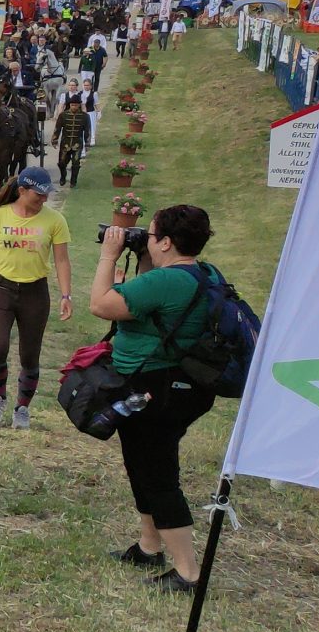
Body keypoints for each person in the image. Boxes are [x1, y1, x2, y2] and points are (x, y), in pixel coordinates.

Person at [88, 202, 221, 591]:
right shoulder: (201, 272)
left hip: (159, 389)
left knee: (159, 476)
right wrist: (143, 259)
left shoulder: (167, 282)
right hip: (173, 385)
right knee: (140, 463)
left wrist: (108, 255)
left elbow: (101, 304)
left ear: (164, 242)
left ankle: (188, 573)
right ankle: (149, 547)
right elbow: (156, 307)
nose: (144, 238)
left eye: (149, 234)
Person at [0, 164, 72, 429]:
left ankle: (22, 408)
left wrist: (66, 295)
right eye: (39, 195)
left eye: (47, 195)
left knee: (29, 354)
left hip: (35, 292)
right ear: (22, 191)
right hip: (0, 290)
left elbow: (61, 260)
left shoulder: (54, 220)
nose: (44, 200)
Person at [53, 90, 91, 187]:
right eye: (72, 104)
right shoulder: (63, 115)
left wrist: (87, 143)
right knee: (61, 162)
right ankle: (63, 176)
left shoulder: (85, 116)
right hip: (65, 143)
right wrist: (54, 139)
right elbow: (57, 128)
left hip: (77, 144)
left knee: (75, 163)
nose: (73, 106)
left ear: (79, 105)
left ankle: (73, 181)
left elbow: (87, 131)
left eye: (75, 105)